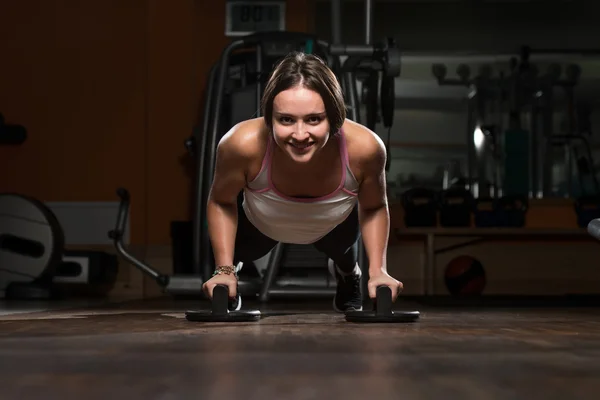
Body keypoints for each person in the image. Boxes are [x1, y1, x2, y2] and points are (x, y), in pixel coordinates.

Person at [202, 51, 403, 312]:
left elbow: (375, 207)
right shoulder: (241, 144)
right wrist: (224, 269)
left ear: (334, 115)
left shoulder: (365, 148)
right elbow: (220, 201)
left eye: (313, 119)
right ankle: (231, 276)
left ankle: (348, 274)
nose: (299, 135)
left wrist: (378, 272)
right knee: (234, 252)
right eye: (285, 120)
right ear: (269, 117)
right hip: (261, 224)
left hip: (334, 226)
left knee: (344, 250)